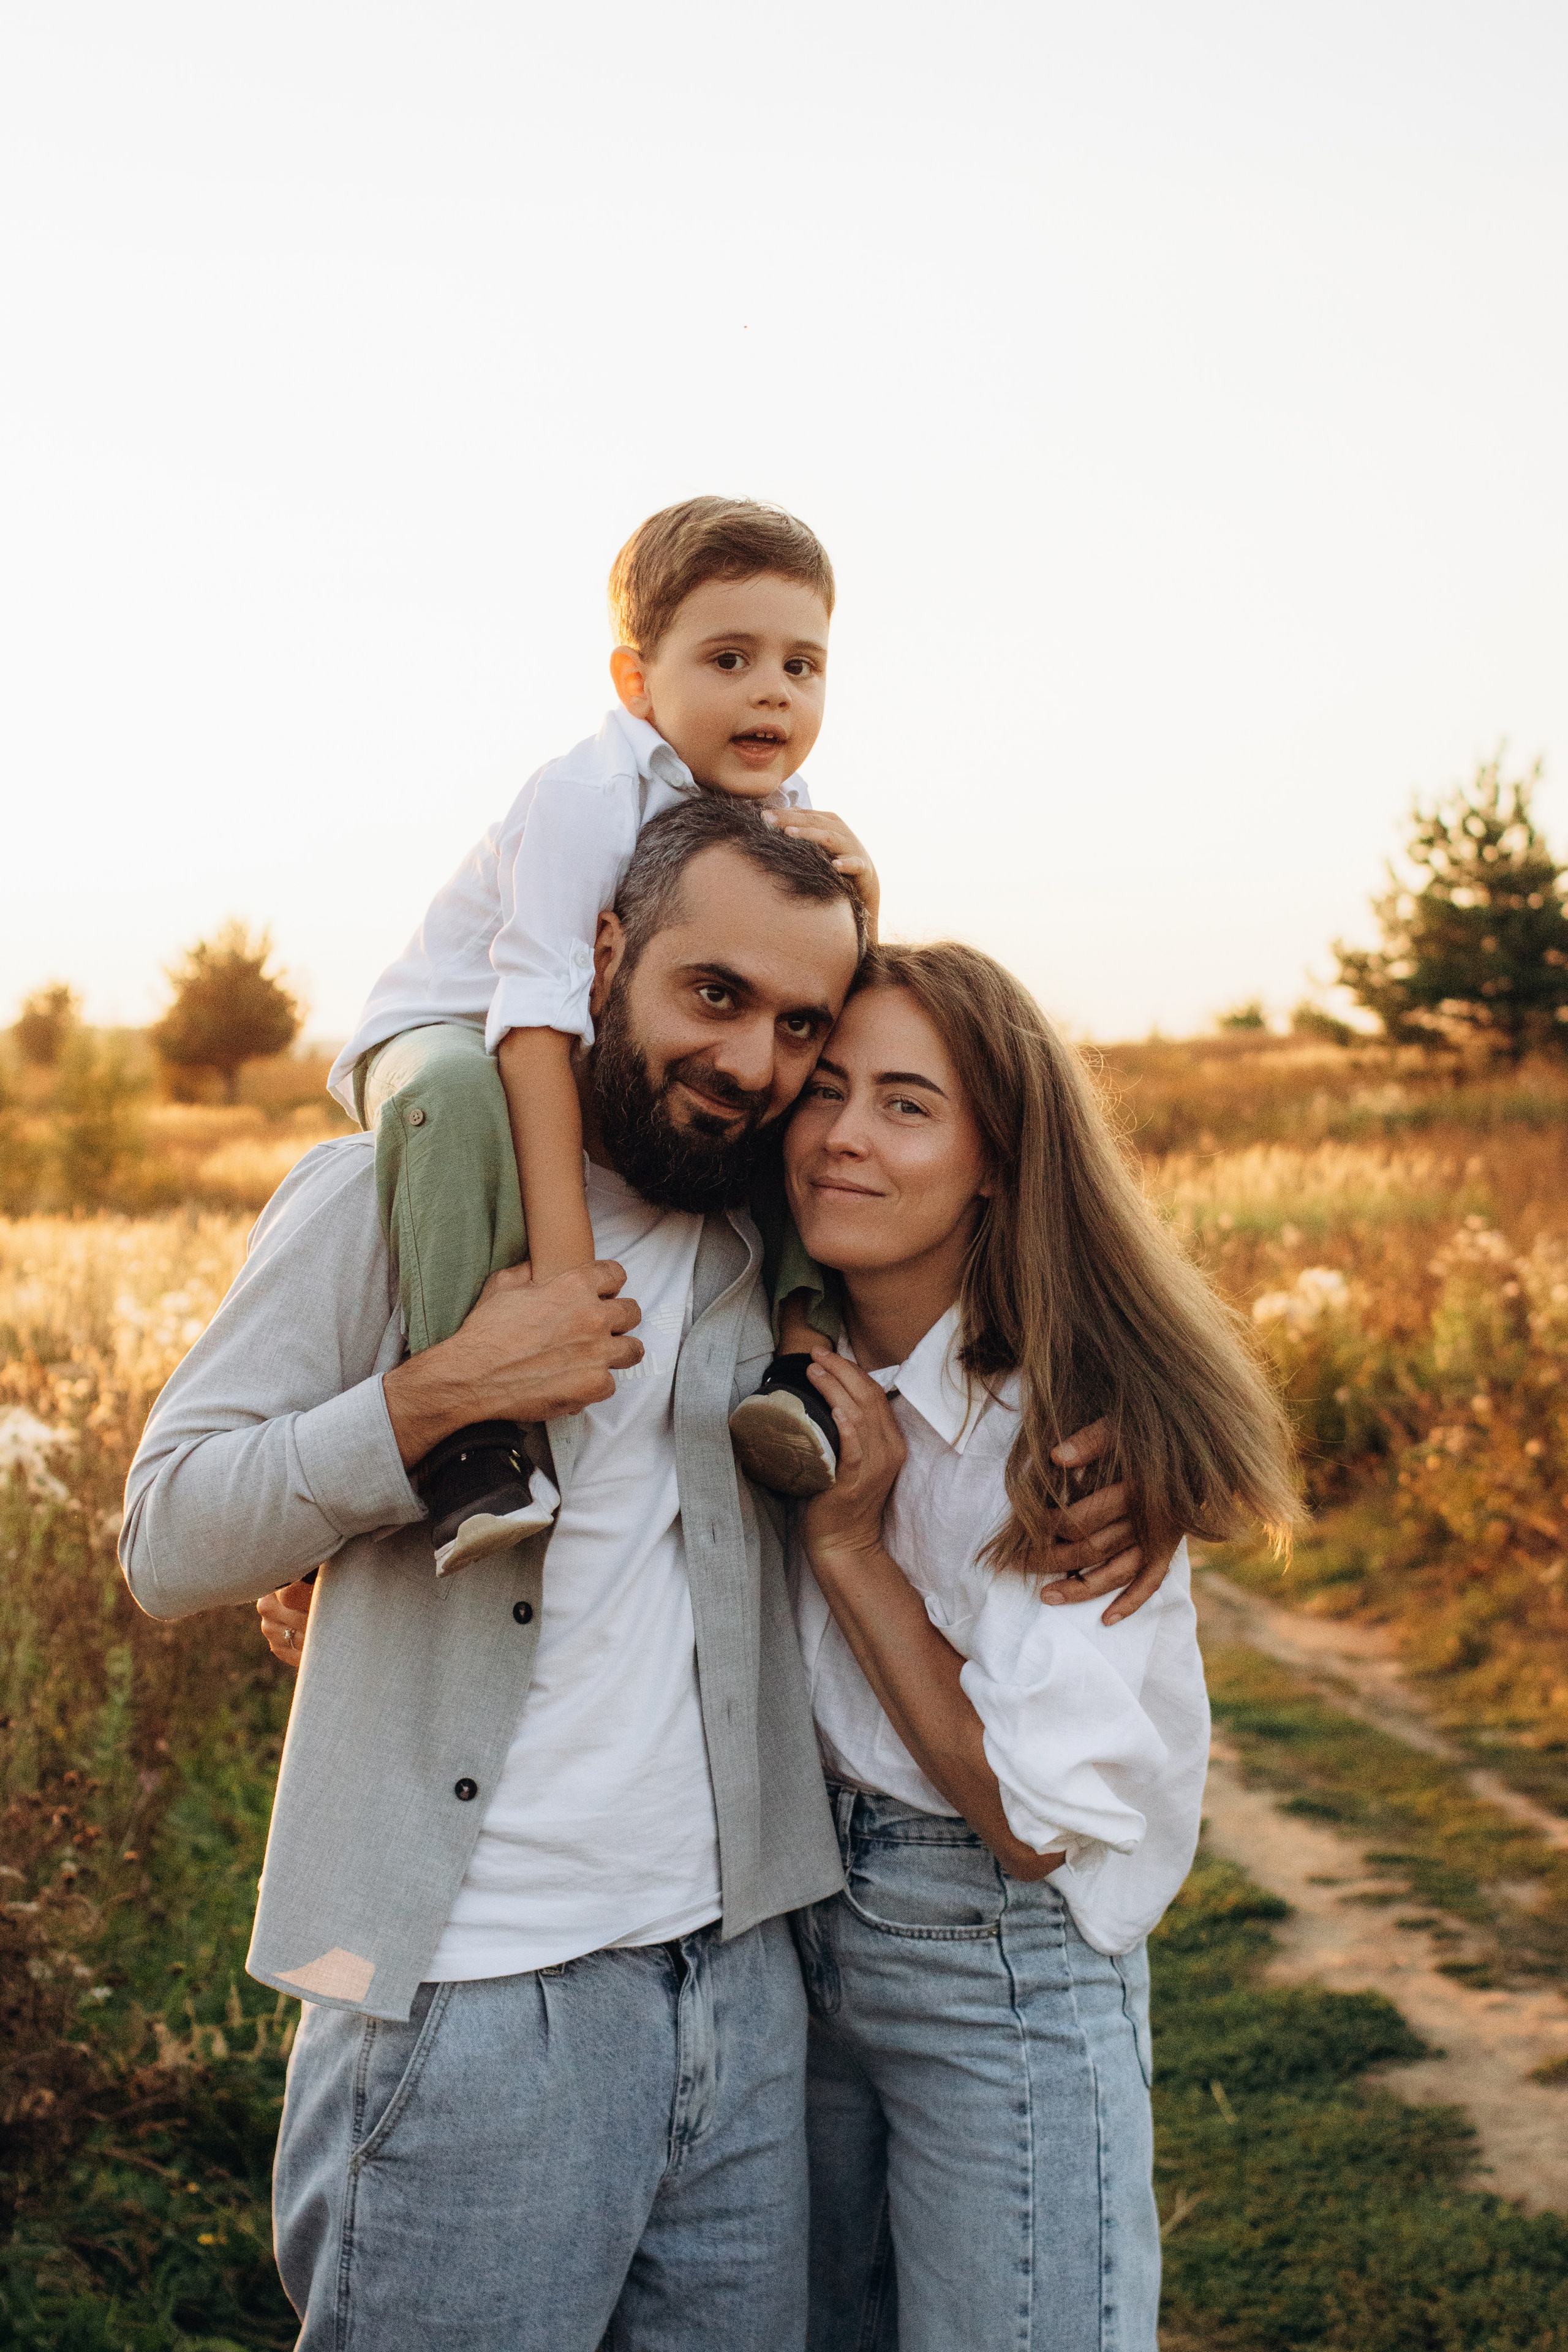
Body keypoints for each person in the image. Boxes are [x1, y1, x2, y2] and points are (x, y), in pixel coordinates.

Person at [127, 801, 1150, 2352]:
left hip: (744, 1998)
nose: (749, 1061)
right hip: (469, 2003)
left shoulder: (760, 1229)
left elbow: (977, 1223)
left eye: (792, 1024)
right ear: (601, 956)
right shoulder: (385, 1199)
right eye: (712, 994)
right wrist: (435, 1398)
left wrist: (1135, 1443)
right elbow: (166, 1535)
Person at [782, 945, 1300, 2351]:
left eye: (905, 1105)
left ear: (997, 1158)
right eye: (824, 1091)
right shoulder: (779, 1345)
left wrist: (846, 1545)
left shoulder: (1061, 1433)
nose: (841, 1135)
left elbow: (1026, 1820)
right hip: (791, 1941)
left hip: (989, 1962)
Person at [327, 496, 874, 1575]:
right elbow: (533, 1015)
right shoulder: (584, 792)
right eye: (730, 658)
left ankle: (801, 1364)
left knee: (786, 1081)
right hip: (448, 1027)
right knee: (460, 1092)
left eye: (802, 666)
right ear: (637, 683)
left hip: (582, 1045)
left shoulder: (792, 808)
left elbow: (815, 988)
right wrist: (569, 1278)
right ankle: (473, 1441)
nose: (772, 690)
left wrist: (869, 898)